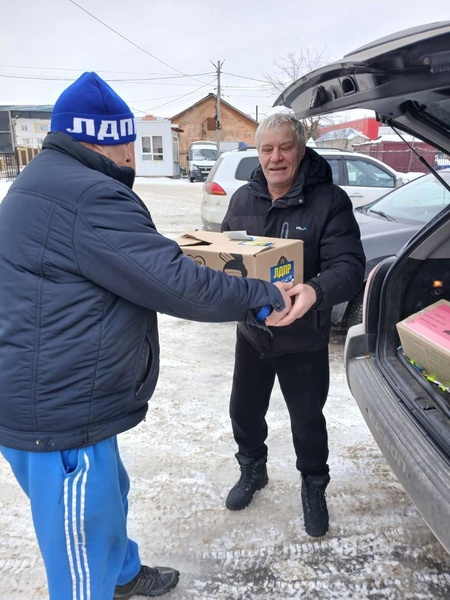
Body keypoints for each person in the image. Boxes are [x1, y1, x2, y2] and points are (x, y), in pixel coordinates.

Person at [0, 73, 296, 600]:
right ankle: (99, 583)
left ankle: (122, 575)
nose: (134, 153)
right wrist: (263, 294)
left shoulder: (44, 180)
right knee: (79, 542)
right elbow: (176, 282)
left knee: (109, 495)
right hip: (57, 409)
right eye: (129, 140)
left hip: (58, 389)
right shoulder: (88, 195)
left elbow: (130, 261)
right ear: (105, 138)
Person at [221, 113, 365, 538]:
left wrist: (315, 291)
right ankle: (253, 470)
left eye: (285, 147)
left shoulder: (330, 201)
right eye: (267, 149)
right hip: (253, 332)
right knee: (244, 410)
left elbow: (350, 266)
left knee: (306, 418)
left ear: (300, 151)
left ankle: (313, 485)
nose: (276, 157)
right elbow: (225, 255)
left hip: (303, 337)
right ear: (258, 154)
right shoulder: (242, 201)